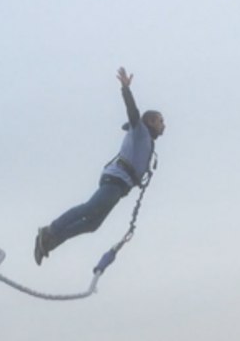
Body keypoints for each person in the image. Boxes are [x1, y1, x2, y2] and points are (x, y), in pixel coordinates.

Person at [34, 68, 165, 265]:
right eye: (161, 121)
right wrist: (126, 89)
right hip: (115, 180)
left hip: (120, 186)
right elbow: (133, 112)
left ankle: (51, 242)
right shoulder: (140, 130)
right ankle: (49, 231)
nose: (164, 125)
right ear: (150, 121)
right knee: (90, 208)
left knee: (93, 224)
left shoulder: (146, 140)